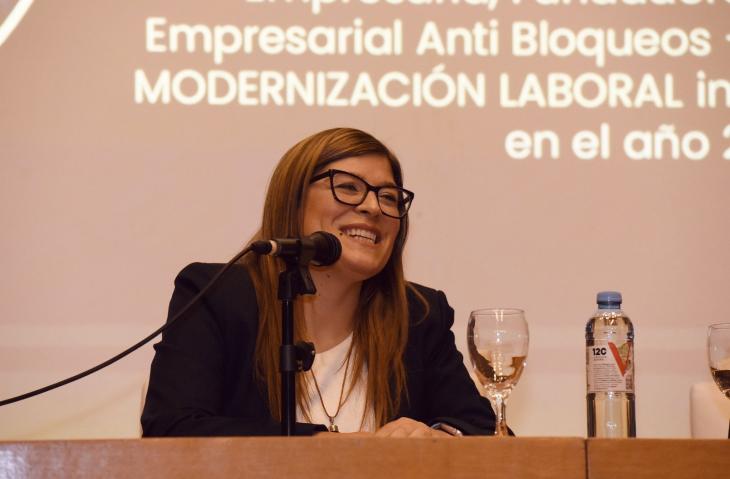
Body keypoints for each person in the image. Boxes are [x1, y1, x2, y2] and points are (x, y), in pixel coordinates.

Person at [141, 127, 497, 437]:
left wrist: (437, 437)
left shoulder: (418, 314)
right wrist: (322, 445)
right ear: (293, 201)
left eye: (389, 197)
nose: (373, 207)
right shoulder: (217, 296)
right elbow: (172, 428)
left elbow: (484, 431)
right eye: (348, 187)